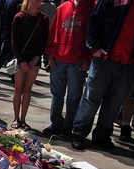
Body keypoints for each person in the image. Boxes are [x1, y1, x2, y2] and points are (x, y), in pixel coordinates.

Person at [70, 0, 134, 150]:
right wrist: (94, 47)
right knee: (91, 97)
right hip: (105, 59)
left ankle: (102, 135)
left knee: (114, 103)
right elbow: (94, 19)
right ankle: (79, 133)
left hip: (129, 64)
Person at [42, 0, 94, 137]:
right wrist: (50, 54)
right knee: (57, 95)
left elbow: (94, 34)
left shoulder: (91, 7)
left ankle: (68, 126)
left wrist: (88, 59)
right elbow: (54, 30)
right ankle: (56, 124)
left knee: (74, 96)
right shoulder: (63, 7)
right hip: (58, 59)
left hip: (78, 61)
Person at [10, 0, 48, 129]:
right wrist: (21, 60)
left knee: (28, 89)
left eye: (39, 1)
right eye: (34, 0)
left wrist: (36, 58)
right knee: (18, 88)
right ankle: (15, 118)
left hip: (34, 59)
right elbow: (14, 41)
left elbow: (44, 41)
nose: (37, 3)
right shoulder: (19, 17)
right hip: (21, 58)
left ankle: (23, 119)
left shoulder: (43, 18)